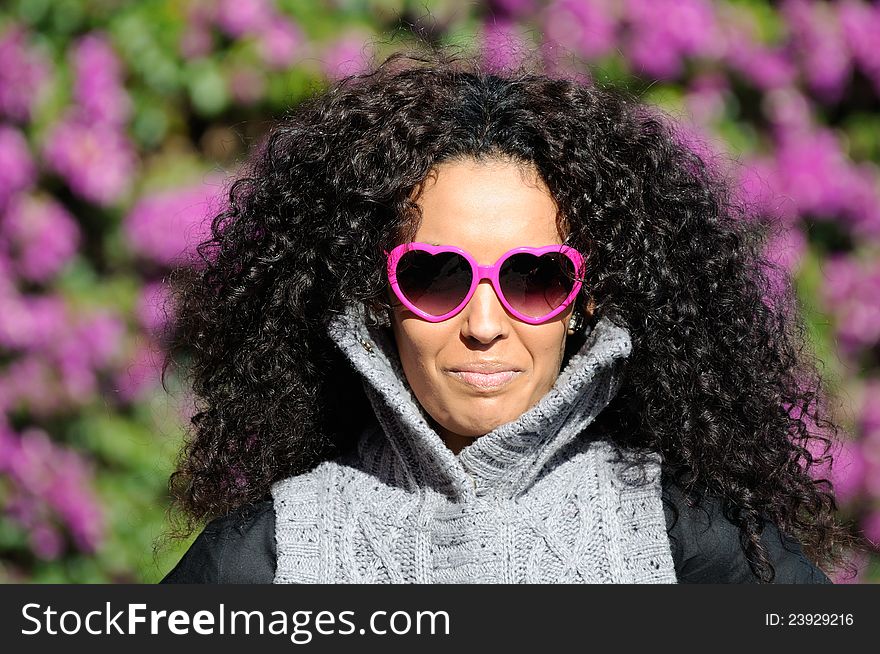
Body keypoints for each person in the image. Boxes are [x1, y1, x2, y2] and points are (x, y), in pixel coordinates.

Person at [158, 44, 862, 584]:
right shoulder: (266, 552)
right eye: (435, 277)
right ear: (374, 296)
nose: (485, 325)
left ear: (585, 301)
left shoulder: (697, 536)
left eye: (534, 278)